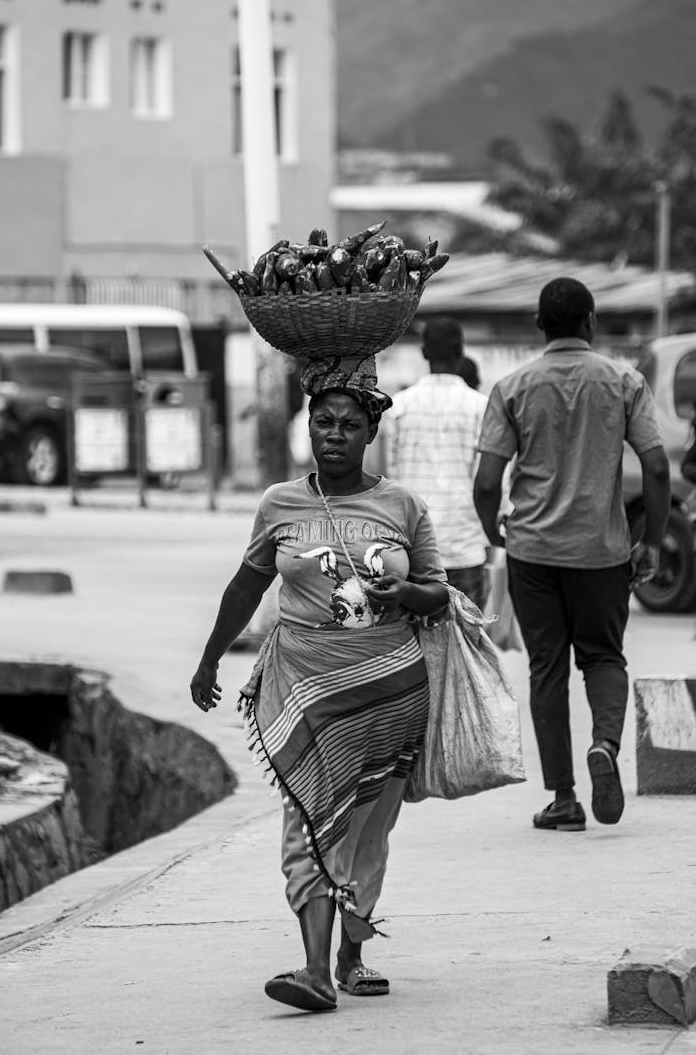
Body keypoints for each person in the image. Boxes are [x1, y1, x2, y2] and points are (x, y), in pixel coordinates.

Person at [190, 355, 449, 1013]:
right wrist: (210, 657)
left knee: (365, 834)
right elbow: (247, 585)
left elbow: (441, 597)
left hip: (389, 699)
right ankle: (312, 968)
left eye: (349, 424)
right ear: (308, 425)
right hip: (307, 695)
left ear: (370, 432)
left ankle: (351, 955)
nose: (334, 433)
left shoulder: (403, 505)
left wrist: (407, 590)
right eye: (323, 420)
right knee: (307, 824)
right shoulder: (280, 503)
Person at [473, 276, 671, 832]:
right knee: (604, 658)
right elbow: (656, 467)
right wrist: (650, 542)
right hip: (602, 552)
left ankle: (564, 799)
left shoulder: (513, 387)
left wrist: (494, 529)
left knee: (547, 670)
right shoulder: (624, 381)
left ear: (540, 326)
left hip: (533, 551)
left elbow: (488, 479)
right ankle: (604, 744)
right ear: (591, 322)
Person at [388, 318, 491, 609]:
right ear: (461, 351)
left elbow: (389, 481)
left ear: (424, 353)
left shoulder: (399, 407)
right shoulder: (480, 408)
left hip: (411, 551)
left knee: (416, 645)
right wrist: (492, 537)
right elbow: (491, 482)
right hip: (465, 548)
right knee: (468, 644)